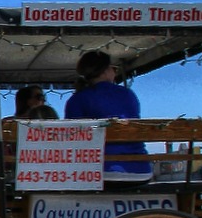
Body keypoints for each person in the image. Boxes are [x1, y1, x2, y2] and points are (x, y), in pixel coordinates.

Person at [64, 50, 151, 178]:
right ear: (105, 71)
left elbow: (72, 140)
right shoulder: (128, 94)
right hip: (141, 170)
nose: (114, 71)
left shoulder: (77, 99)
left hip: (98, 173)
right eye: (113, 68)